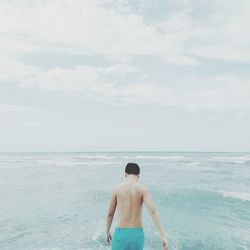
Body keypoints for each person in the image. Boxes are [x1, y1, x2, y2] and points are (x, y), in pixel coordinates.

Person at [105, 162, 169, 250]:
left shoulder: (117, 189)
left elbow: (110, 214)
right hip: (137, 234)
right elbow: (153, 211)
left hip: (121, 234)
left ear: (125, 174)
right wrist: (163, 235)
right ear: (138, 175)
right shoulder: (143, 189)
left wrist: (107, 232)